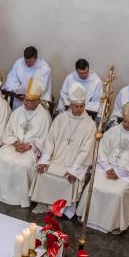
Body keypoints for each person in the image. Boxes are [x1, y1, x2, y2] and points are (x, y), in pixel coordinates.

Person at [83, 99, 129, 233]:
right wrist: (108, 168)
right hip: (107, 168)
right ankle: (90, 219)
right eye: (125, 121)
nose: (127, 125)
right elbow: (101, 149)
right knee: (94, 186)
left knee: (117, 192)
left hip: (126, 174)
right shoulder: (114, 131)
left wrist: (119, 172)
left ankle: (112, 224)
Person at [30, 83, 96, 212]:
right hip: (57, 159)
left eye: (82, 106)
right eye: (76, 106)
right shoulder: (61, 118)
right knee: (43, 172)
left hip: (75, 163)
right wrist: (45, 159)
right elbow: (51, 140)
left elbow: (86, 150)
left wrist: (74, 169)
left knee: (68, 179)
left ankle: (61, 209)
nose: (79, 109)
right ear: (70, 105)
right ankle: (45, 203)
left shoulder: (90, 124)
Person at [0, 78, 50, 207]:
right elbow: (8, 131)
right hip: (14, 145)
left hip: (32, 149)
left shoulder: (44, 116)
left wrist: (29, 146)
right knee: (2, 157)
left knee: (23, 164)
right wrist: (14, 142)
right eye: (25, 99)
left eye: (30, 101)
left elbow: (45, 139)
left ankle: (19, 197)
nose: (25, 103)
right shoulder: (18, 111)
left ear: (37, 101)